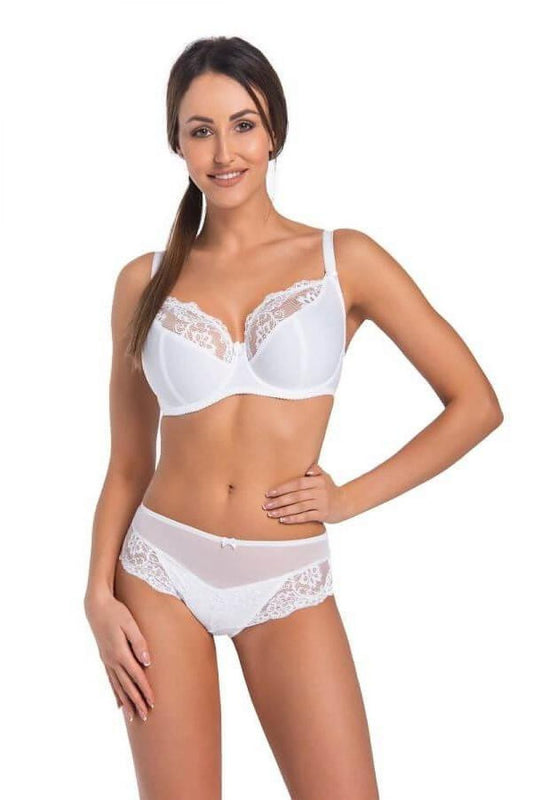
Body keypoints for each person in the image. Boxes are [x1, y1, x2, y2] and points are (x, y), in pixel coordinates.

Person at [83, 35, 503, 800]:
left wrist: (348, 498)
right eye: (200, 130)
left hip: (286, 579)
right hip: (157, 572)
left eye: (242, 125)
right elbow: (127, 464)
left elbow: (475, 404)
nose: (223, 152)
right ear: (176, 143)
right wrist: (96, 597)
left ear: (274, 129)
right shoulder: (142, 281)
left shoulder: (346, 259)